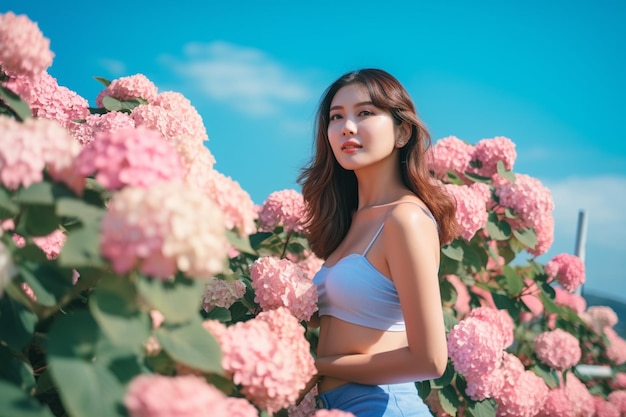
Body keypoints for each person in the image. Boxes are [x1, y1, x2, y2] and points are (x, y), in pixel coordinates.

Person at [297, 69, 459, 416]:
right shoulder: (352, 220)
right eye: (336, 117)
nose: (347, 127)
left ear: (402, 132)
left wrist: (320, 365)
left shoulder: (405, 219)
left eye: (365, 113)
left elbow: (430, 359)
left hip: (383, 405)